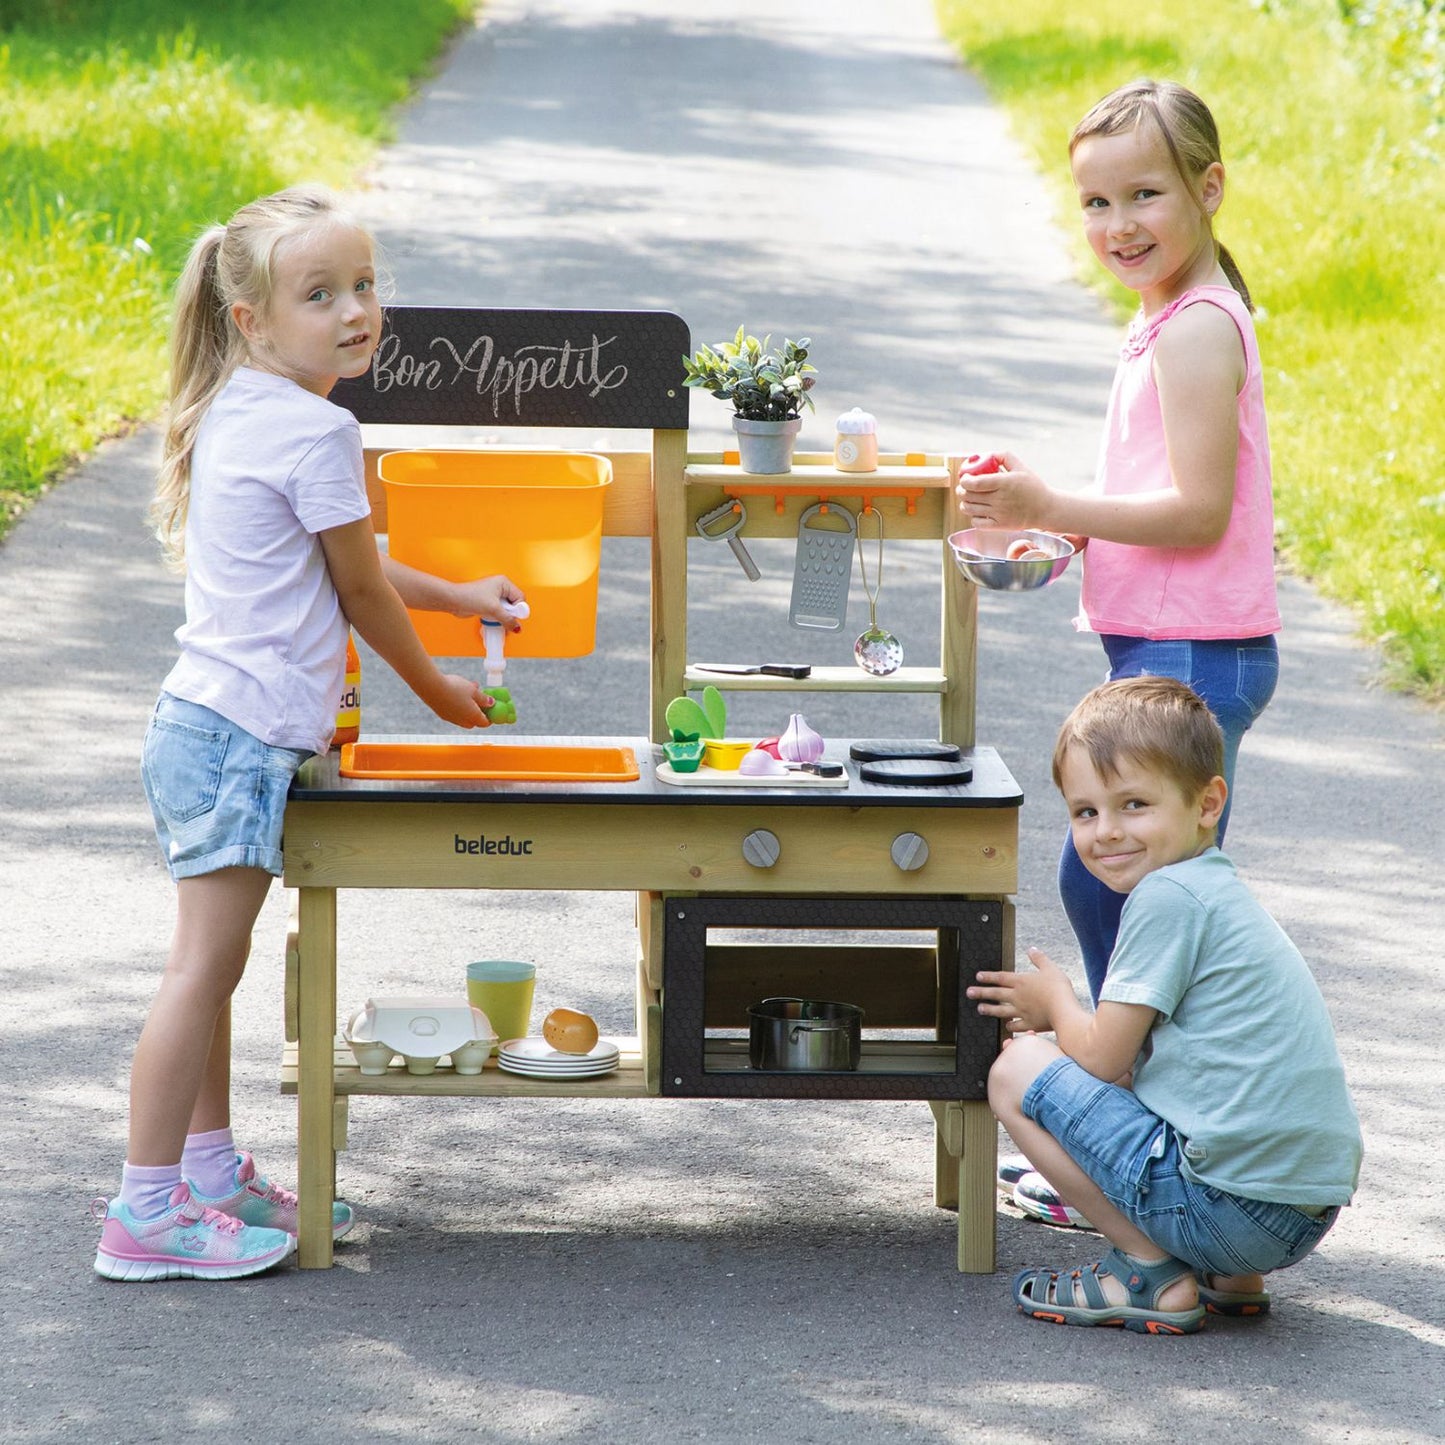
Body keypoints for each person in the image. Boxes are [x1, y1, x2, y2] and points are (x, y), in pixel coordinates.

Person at [91, 185, 519, 1282]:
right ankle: (144, 1210)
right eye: (319, 293)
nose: (353, 310)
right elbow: (362, 596)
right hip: (233, 738)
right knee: (200, 970)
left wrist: (460, 592)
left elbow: (355, 567)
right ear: (254, 318)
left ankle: (209, 1169)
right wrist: (435, 686)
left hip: (205, 726)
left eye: (365, 286)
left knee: (211, 969)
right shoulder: (319, 424)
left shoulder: (245, 400)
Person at [958, 79, 1280, 1003]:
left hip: (1192, 653)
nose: (1118, 224)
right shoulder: (1166, 317)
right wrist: (1051, 516)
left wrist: (1054, 497)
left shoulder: (1195, 331)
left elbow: (1197, 513)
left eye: (1145, 194)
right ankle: (1131, 1094)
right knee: (1130, 888)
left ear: (1207, 189)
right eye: (1096, 202)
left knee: (1133, 891)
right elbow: (1157, 492)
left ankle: (1126, 1091)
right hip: (1165, 647)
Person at [968, 677, 1361, 1333]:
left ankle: (1144, 1270)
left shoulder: (1163, 898)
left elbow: (1099, 1058)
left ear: (1206, 802)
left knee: (1015, 1071)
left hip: (1231, 1209)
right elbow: (1142, 1068)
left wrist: (1055, 1001)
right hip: (1300, 1211)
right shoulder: (1215, 891)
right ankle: (1228, 1278)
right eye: (1084, 811)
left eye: (1133, 803)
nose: (1106, 832)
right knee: (1136, 1086)